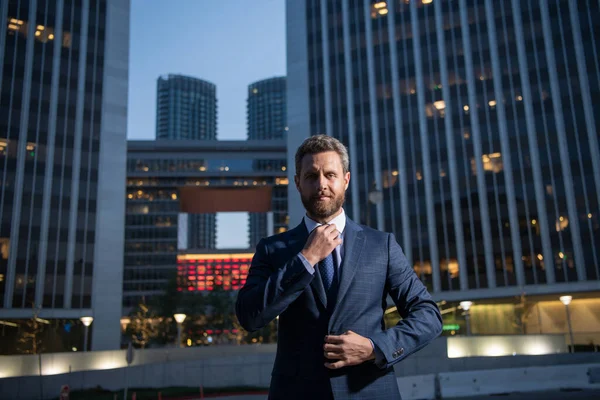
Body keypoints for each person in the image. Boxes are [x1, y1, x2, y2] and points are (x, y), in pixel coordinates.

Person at [236, 135, 442, 399]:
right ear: (298, 183)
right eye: (311, 176)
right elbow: (249, 316)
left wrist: (374, 347)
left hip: (370, 391)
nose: (321, 184)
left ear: (345, 180)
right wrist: (306, 259)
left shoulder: (383, 245)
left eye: (330, 175)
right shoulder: (272, 249)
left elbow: (428, 315)